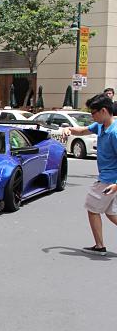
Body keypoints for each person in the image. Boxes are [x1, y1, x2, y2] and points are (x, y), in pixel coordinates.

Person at [63, 94, 117, 256]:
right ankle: (99, 245)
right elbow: (81, 130)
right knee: (111, 213)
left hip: (109, 180)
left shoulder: (114, 133)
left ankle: (100, 246)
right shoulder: (100, 126)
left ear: (104, 110)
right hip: (109, 179)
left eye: (93, 113)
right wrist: (68, 129)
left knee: (92, 208)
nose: (92, 116)